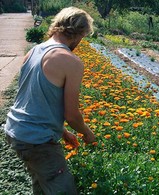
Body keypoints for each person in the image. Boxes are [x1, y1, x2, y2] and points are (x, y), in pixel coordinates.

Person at [4, 7, 96, 194]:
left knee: (42, 184)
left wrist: (62, 132)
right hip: (37, 141)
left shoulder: (34, 51)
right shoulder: (70, 61)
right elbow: (71, 115)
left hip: (15, 131)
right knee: (63, 189)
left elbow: (33, 100)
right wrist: (87, 133)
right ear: (79, 34)